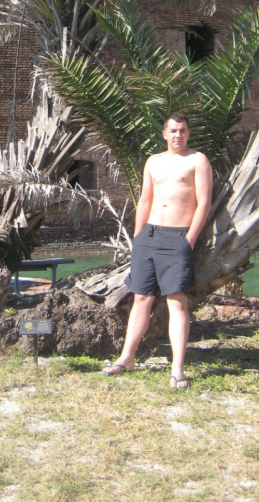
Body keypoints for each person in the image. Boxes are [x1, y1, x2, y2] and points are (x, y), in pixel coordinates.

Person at [103, 113, 213, 389]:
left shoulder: (197, 160)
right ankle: (126, 358)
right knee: (141, 298)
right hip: (148, 236)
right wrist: (138, 236)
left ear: (188, 134)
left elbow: (204, 203)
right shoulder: (153, 161)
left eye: (183, 131)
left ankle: (177, 369)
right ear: (164, 134)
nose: (178, 135)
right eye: (173, 130)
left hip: (177, 237)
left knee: (177, 301)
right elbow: (145, 200)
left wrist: (188, 240)